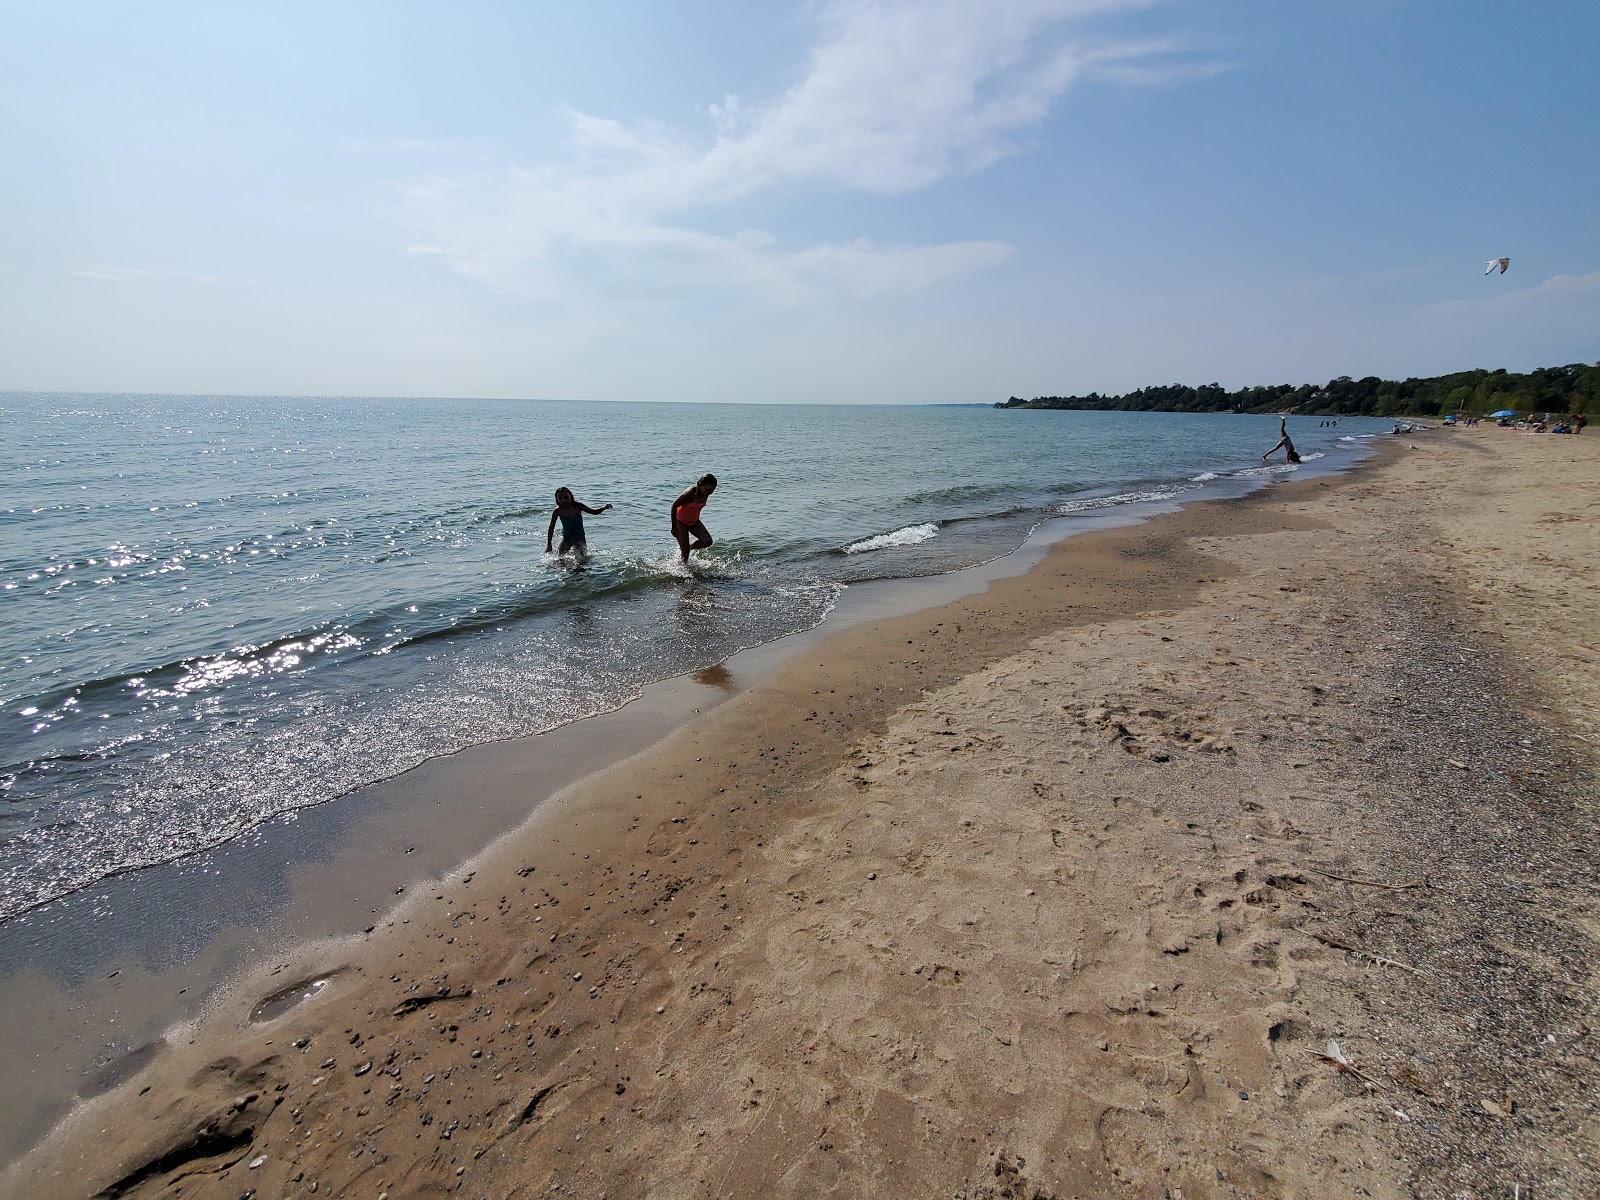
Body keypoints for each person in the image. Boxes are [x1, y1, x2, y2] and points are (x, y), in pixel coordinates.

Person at [546, 487, 611, 556]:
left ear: (571, 497)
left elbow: (594, 512)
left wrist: (604, 508)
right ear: (557, 500)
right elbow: (551, 528)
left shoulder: (578, 506)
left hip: (579, 537)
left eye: (566, 497)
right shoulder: (557, 511)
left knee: (581, 559)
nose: (563, 500)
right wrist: (549, 544)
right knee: (559, 557)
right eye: (560, 498)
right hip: (566, 538)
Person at [670, 473, 718, 562]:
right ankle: (683, 571)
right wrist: (674, 527)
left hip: (694, 521)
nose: (710, 493)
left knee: (707, 541)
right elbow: (674, 506)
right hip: (680, 521)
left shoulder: (705, 493)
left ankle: (688, 547)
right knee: (685, 552)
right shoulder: (690, 493)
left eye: (712, 490)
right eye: (708, 489)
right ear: (700, 485)